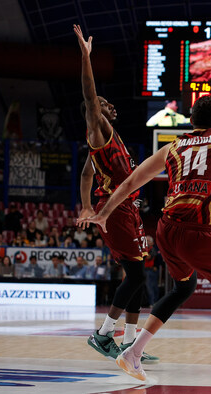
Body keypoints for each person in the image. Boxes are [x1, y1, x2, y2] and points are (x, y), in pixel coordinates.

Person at [80, 95, 211, 381]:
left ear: (190, 121)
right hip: (196, 231)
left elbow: (130, 182)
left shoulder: (172, 146)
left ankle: (132, 353)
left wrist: (104, 213)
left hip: (166, 228)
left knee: (183, 288)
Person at [73, 25, 158, 365]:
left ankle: (131, 344)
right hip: (117, 211)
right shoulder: (98, 129)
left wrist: (84, 206)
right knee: (137, 276)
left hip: (127, 210)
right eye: (104, 104)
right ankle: (104, 333)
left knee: (136, 275)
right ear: (96, 113)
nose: (109, 105)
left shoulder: (106, 143)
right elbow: (89, 93)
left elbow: (85, 174)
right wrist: (86, 58)